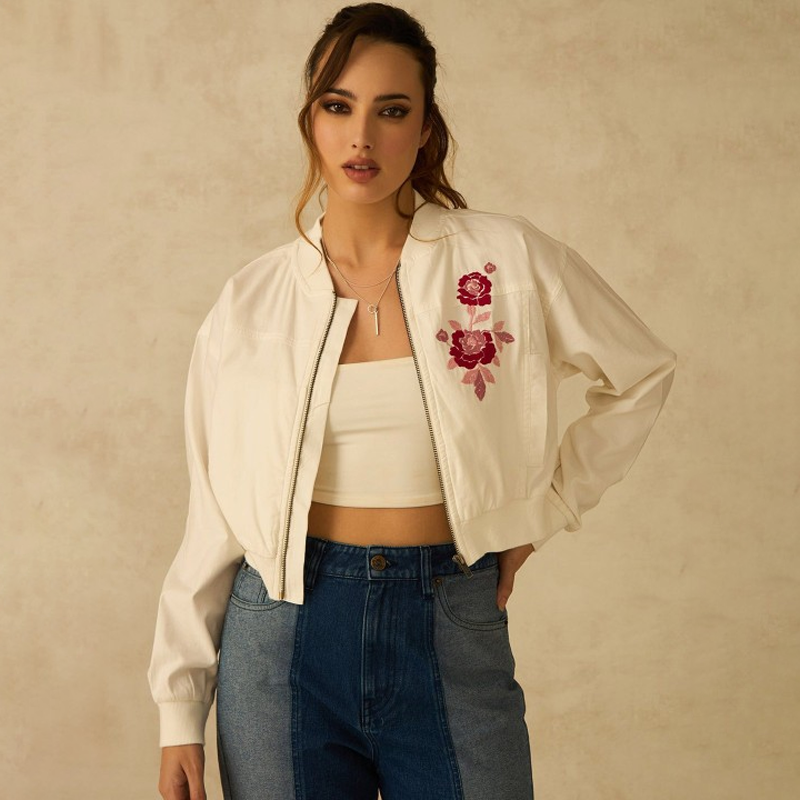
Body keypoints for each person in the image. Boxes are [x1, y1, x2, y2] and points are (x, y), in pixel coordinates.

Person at [148, 3, 677, 799]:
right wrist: (179, 707)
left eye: (391, 111)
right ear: (311, 122)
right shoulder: (251, 302)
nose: (361, 137)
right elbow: (214, 514)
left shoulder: (504, 262)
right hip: (280, 640)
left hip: (450, 616)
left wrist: (544, 510)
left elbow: (640, 373)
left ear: (425, 128)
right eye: (339, 106)